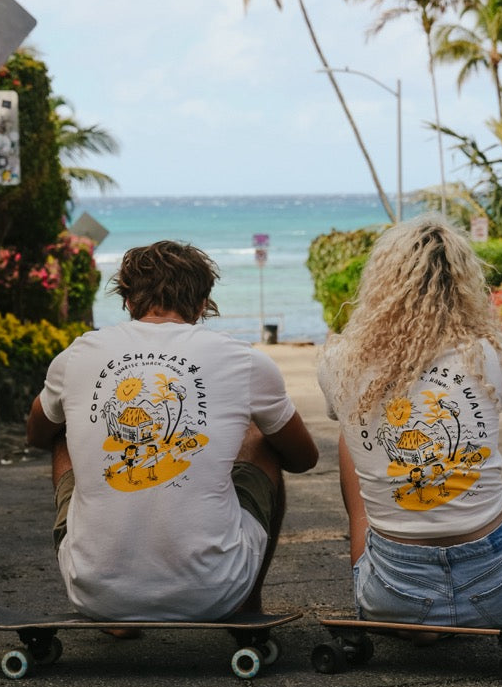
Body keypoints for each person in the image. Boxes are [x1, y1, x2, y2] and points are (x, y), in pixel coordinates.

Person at [27, 240, 318, 621]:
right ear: (201, 305)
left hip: (95, 594)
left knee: (62, 435)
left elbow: (35, 433)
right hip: (215, 592)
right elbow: (303, 457)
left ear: (128, 301)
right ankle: (247, 606)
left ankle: (113, 596)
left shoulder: (77, 354)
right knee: (261, 439)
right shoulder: (244, 360)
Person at [317, 214, 502, 632]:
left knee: (349, 437)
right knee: (490, 485)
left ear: (380, 284)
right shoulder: (485, 356)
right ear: (463, 284)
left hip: (395, 594)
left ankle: (371, 582)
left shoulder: (340, 361)